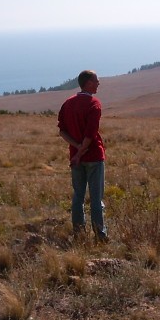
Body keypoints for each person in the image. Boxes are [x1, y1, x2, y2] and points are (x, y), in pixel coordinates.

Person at [58, 70, 108, 242]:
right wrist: (81, 151)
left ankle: (79, 234)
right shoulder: (94, 103)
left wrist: (76, 150)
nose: (98, 83)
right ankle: (100, 234)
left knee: (78, 196)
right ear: (87, 83)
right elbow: (91, 133)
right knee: (96, 198)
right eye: (96, 80)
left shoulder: (67, 103)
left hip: (75, 159)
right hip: (93, 156)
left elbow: (62, 131)